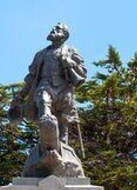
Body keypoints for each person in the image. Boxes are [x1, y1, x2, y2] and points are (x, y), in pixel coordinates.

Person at [8, 23, 87, 177]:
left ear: (64, 35)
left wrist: (70, 63)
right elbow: (31, 79)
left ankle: (62, 153)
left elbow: (82, 73)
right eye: (53, 28)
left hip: (64, 89)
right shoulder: (41, 54)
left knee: (63, 124)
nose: (53, 30)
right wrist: (21, 95)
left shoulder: (71, 51)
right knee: (43, 102)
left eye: (57, 29)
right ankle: (46, 124)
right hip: (45, 85)